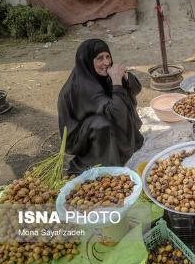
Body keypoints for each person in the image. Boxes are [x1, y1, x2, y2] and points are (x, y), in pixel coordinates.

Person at [58, 39, 144, 174]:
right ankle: (106, 162)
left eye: (108, 56)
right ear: (88, 61)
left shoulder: (96, 73)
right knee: (103, 123)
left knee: (123, 95)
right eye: (99, 58)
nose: (106, 62)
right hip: (78, 138)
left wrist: (124, 75)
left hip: (95, 117)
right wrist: (116, 81)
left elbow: (136, 90)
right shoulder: (84, 86)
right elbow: (115, 113)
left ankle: (124, 143)